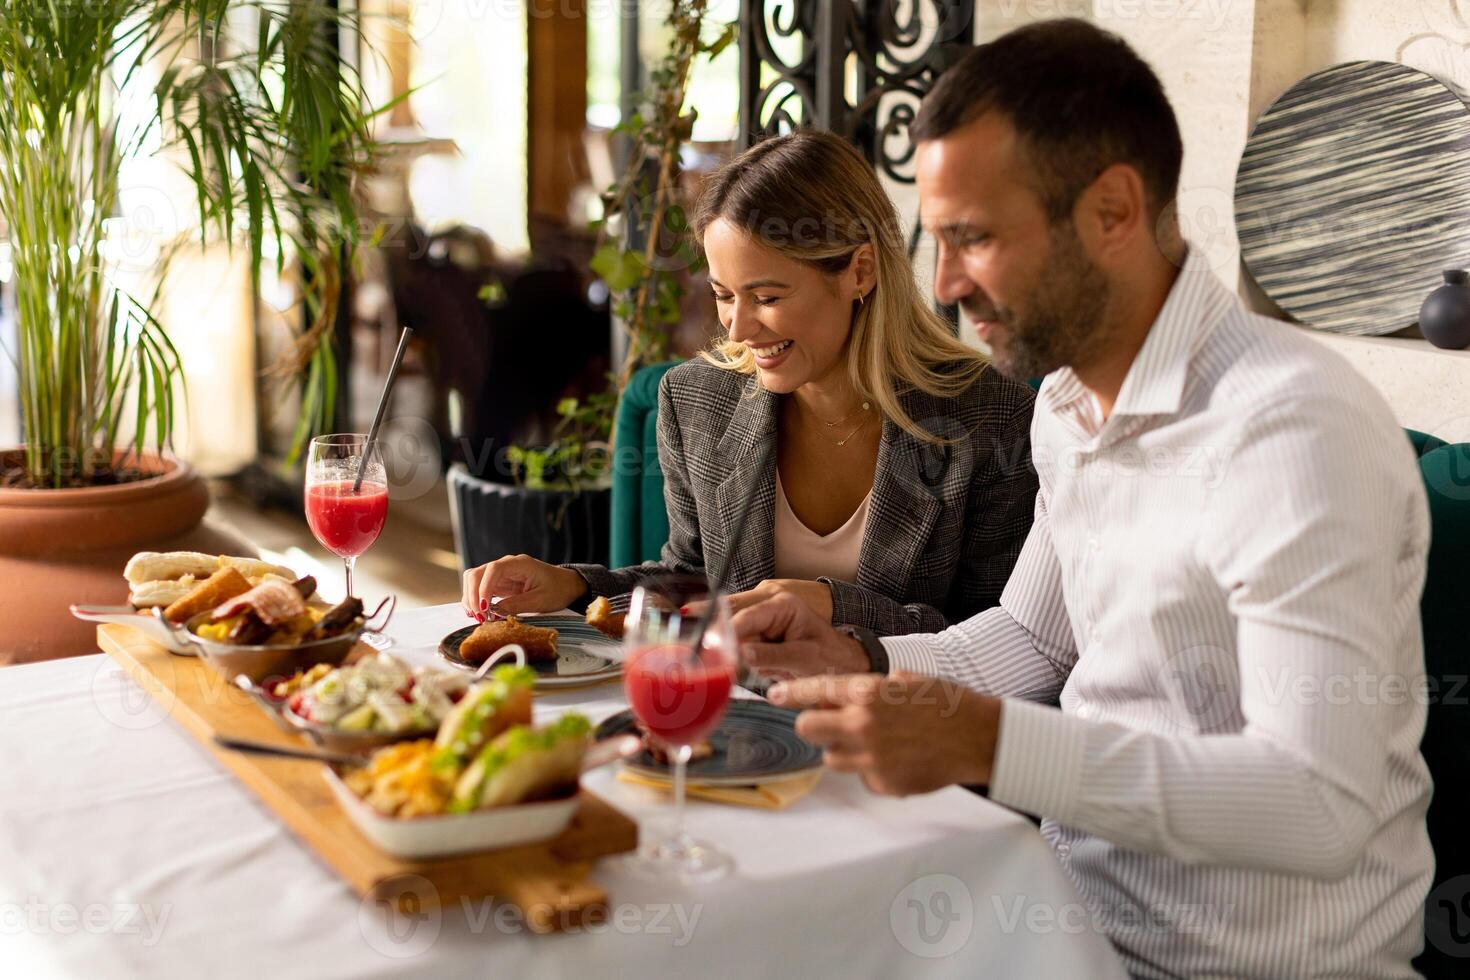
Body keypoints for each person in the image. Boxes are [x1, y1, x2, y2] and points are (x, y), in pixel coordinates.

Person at [733, 19, 1433, 979]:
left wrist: (993, 744)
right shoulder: (1065, 405)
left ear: (1112, 210)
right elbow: (1033, 641)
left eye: (974, 238)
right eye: (937, 242)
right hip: (1057, 917)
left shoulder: (1292, 429)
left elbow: (1318, 804)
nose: (944, 286)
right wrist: (862, 654)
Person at [462, 130, 1038, 636]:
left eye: (767, 297)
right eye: (722, 295)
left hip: (895, 729)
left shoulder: (991, 420)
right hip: (733, 720)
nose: (738, 327)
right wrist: (572, 585)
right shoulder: (697, 404)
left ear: (859, 271)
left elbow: (999, 638)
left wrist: (832, 607)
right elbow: (691, 582)